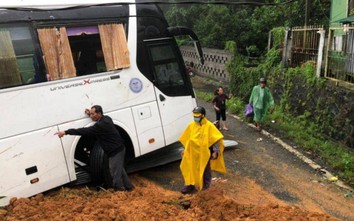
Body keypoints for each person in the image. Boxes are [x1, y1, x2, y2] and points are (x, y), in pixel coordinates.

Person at [55, 105, 134, 192]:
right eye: (91, 114)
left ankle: (119, 191)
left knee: (114, 172)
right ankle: (130, 187)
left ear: (99, 114)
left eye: (93, 114)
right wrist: (90, 113)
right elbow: (95, 118)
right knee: (119, 170)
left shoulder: (101, 126)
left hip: (116, 151)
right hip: (118, 149)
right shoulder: (107, 118)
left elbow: (83, 131)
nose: (91, 116)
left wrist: (66, 132)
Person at [179, 106, 226, 194]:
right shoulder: (191, 125)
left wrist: (215, 151)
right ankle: (190, 185)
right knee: (190, 168)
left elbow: (215, 139)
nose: (195, 117)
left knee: (205, 170)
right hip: (192, 153)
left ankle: (205, 188)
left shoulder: (209, 126)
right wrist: (184, 149)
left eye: (197, 116)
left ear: (203, 116)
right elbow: (187, 138)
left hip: (204, 154)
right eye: (194, 115)